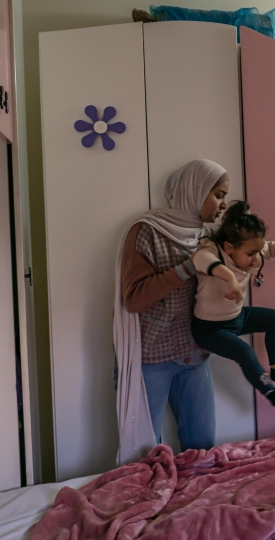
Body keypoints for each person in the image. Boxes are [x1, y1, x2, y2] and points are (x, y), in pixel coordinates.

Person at [113, 159, 228, 465]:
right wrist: (188, 267)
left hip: (195, 352)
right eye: (218, 194)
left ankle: (194, 507)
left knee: (202, 448)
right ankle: (148, 505)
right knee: (143, 452)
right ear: (195, 191)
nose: (223, 204)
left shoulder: (206, 237)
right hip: (152, 355)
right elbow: (134, 299)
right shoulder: (146, 230)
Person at [191, 201, 275, 411]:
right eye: (251, 254)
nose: (256, 259)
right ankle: (270, 392)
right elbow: (200, 259)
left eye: (257, 252)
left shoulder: (251, 249)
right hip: (210, 328)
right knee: (245, 353)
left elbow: (270, 247)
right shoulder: (214, 251)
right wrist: (229, 279)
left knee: (274, 318)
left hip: (237, 317)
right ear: (229, 247)